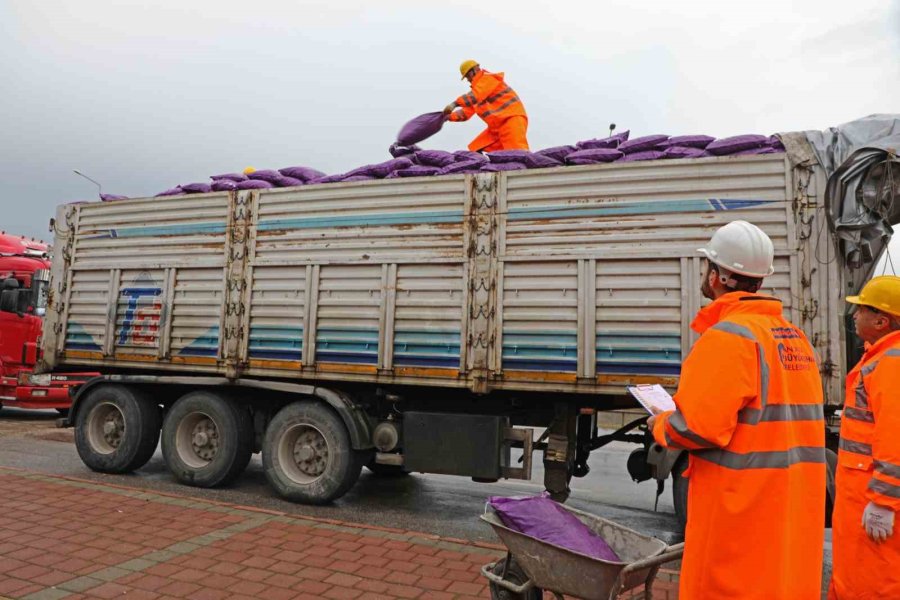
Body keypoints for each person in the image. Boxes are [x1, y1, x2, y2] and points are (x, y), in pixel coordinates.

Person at [647, 220, 825, 599]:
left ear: (719, 277)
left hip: (739, 516)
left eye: (707, 265)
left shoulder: (728, 338)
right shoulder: (794, 338)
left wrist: (661, 423)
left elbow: (696, 428)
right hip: (783, 514)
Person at [828, 275, 900, 599]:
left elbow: (894, 435)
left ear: (882, 321)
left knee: (871, 583)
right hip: (861, 493)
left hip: (870, 495)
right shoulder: (881, 357)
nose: (854, 316)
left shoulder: (890, 363)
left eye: (862, 310)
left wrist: (883, 502)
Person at [442, 60, 529, 152]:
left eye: (468, 76)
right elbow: (466, 112)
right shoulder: (477, 91)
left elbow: (475, 95)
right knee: (476, 148)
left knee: (518, 152)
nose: (468, 79)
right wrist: (447, 117)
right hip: (496, 128)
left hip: (512, 119)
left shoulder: (488, 79)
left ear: (475, 70)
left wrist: (454, 104)